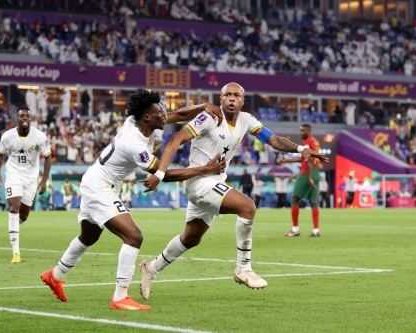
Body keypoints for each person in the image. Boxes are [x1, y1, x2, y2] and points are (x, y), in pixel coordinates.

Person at [138, 83, 328, 300]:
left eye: (236, 95)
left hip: (215, 182)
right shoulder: (209, 118)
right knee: (247, 206)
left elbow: (274, 140)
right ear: (220, 98)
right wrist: (161, 174)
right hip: (198, 182)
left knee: (191, 238)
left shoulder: (246, 120)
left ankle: (150, 268)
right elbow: (175, 140)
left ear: (242, 100)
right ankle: (243, 268)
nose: (231, 98)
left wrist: (301, 148)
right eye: (227, 94)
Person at [40, 90, 226, 311]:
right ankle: (120, 296)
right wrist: (205, 169)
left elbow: (177, 114)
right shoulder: (135, 145)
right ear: (148, 117)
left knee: (88, 236)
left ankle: (55, 274)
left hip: (95, 181)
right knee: (133, 236)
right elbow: (163, 174)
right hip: (99, 188)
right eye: (160, 112)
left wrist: (202, 106)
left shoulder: (137, 120)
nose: (164, 114)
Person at [0, 106, 52, 264]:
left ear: (31, 118)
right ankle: (16, 252)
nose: (25, 118)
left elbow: (48, 157)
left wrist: (44, 180)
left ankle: (14, 225)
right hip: (13, 175)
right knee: (14, 206)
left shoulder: (39, 136)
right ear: (17, 119)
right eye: (22, 116)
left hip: (30, 178)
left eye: (27, 116)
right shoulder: (7, 136)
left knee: (23, 215)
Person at [278, 124, 322, 237]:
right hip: (316, 173)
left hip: (306, 174)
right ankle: (316, 230)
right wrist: (287, 161)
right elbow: (304, 158)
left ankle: (295, 229)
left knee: (294, 199)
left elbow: (309, 161)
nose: (300, 133)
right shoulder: (315, 142)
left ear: (308, 131)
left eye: (302, 131)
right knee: (313, 202)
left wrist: (309, 178)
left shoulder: (307, 142)